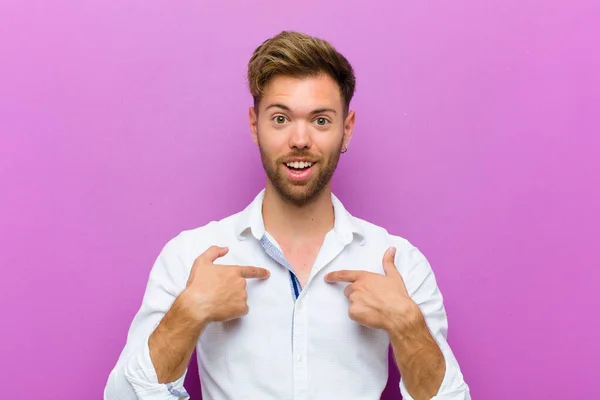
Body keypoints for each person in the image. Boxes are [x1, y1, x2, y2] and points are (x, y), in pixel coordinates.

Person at [104, 30, 470, 400]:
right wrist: (188, 313)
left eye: (321, 121)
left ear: (347, 129)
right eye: (280, 119)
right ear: (254, 124)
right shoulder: (191, 256)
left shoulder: (398, 264)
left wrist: (406, 324)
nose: (299, 140)